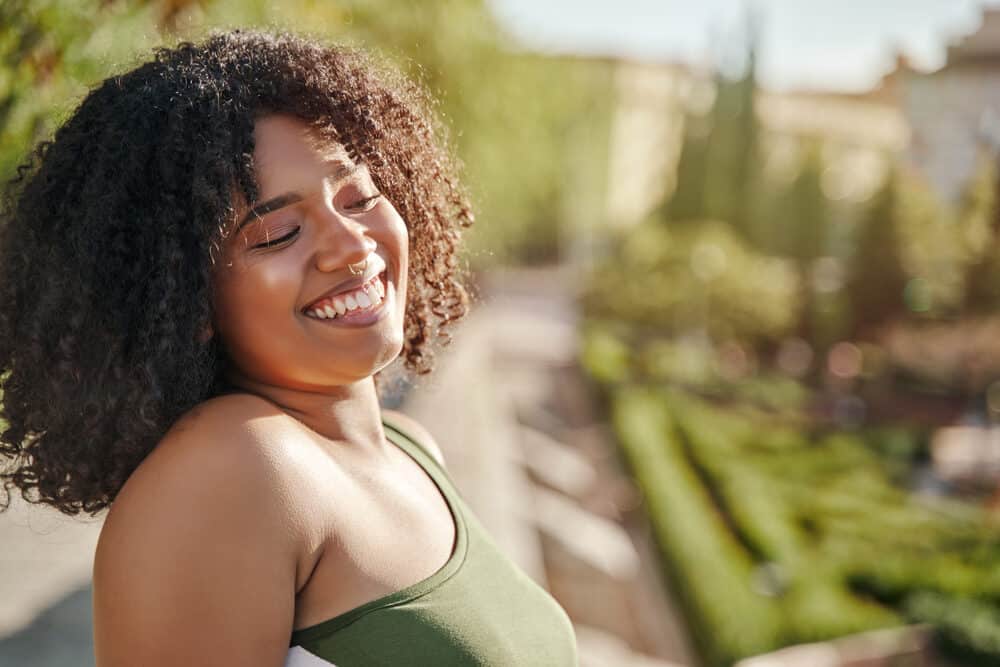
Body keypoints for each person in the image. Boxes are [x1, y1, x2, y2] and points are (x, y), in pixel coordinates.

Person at [0, 30, 578, 666]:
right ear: (190, 301)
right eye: (278, 233)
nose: (352, 245)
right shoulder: (234, 467)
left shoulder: (413, 450)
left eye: (359, 196)